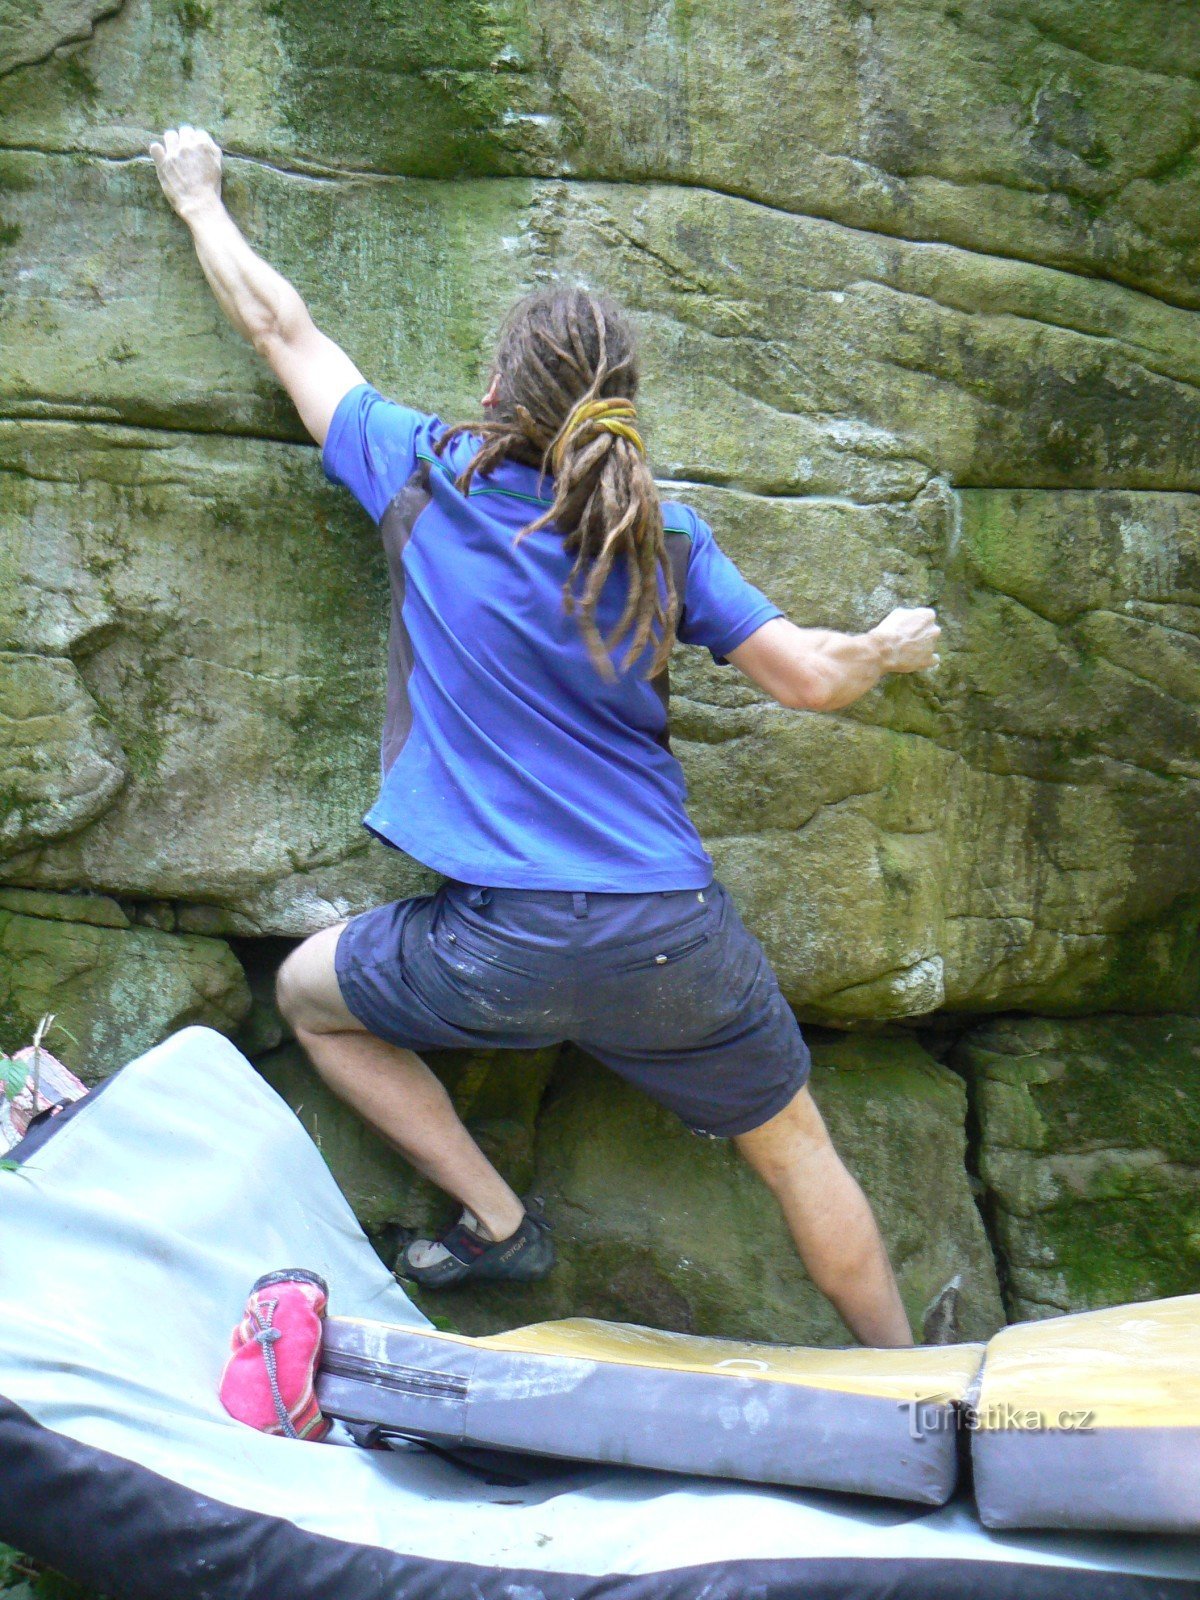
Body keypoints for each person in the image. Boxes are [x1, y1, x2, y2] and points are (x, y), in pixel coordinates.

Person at [151, 125, 941, 1349]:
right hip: (673, 939)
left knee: (311, 998)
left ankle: (496, 1218)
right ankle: (912, 1382)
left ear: (494, 396)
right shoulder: (665, 538)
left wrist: (200, 203)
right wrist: (882, 647)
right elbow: (808, 680)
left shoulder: (423, 476)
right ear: (621, 403)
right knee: (797, 1151)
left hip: (498, 946)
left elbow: (283, 333)